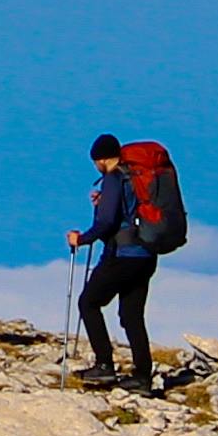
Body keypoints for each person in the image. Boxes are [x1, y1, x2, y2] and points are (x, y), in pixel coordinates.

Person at [63, 136, 163, 393]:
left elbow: (107, 222)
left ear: (101, 159)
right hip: (147, 255)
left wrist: (81, 239)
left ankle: (105, 365)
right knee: (132, 316)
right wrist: (103, 202)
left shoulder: (114, 177)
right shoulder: (134, 177)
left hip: (122, 256)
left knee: (89, 302)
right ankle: (142, 377)